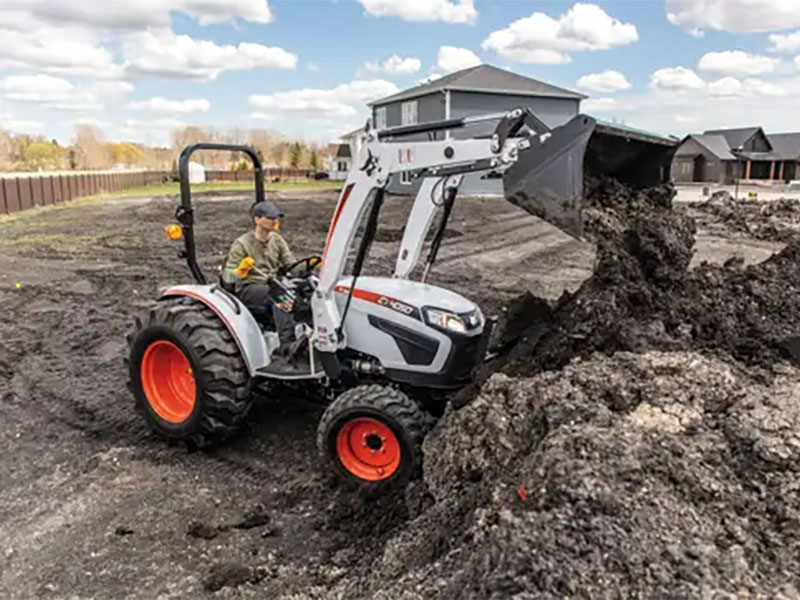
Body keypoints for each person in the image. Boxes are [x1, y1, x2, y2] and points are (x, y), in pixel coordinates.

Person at [223, 200, 297, 347]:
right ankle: (288, 345)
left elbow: (290, 264)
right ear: (257, 220)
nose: (274, 221)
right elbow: (227, 276)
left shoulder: (277, 240)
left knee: (303, 290)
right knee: (280, 297)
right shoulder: (242, 244)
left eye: (276, 218)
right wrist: (240, 271)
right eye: (270, 218)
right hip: (249, 287)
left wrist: (307, 268)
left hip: (272, 283)